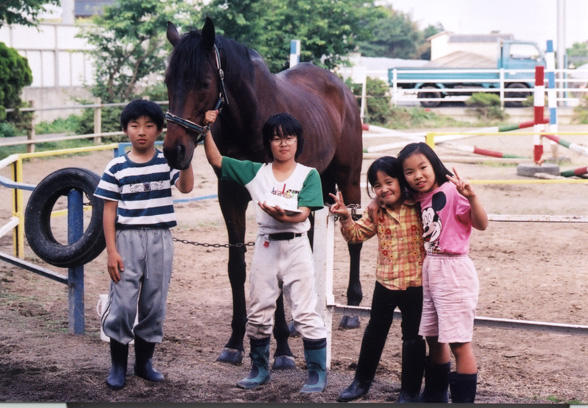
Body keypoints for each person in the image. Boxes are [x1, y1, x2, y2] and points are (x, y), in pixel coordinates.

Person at [203, 110, 329, 393]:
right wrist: (206, 130)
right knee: (259, 311)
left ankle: (316, 372)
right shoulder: (255, 172)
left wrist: (284, 215)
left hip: (297, 245)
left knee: (306, 312)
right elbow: (216, 160)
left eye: (289, 138)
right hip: (266, 246)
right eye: (276, 139)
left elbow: (303, 214)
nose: (283, 144)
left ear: (298, 141)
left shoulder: (308, 174)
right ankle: (259, 368)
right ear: (267, 143)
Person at [94, 99, 194, 390]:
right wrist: (111, 251)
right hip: (126, 240)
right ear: (125, 129)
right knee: (124, 303)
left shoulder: (167, 162)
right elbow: (109, 210)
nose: (142, 131)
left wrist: (185, 157)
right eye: (135, 125)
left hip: (160, 238)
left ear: (160, 130)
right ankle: (117, 366)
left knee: (154, 304)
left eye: (150, 125)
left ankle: (144, 364)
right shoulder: (116, 167)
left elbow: (186, 187)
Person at [329, 156, 427, 403]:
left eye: (389, 181)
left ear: (401, 181)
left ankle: (409, 391)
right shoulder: (376, 211)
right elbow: (355, 236)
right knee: (374, 332)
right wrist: (345, 216)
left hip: (416, 283)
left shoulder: (419, 203)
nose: (384, 189)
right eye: (377, 185)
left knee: (414, 337)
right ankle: (361, 382)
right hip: (385, 282)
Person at [397, 142, 488, 403]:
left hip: (453, 269)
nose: (418, 175)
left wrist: (472, 196)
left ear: (434, 164)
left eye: (423, 167)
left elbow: (481, 224)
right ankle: (436, 396)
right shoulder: (419, 197)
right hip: (432, 268)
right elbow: (392, 194)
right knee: (434, 338)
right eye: (409, 172)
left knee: (459, 342)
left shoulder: (452, 191)